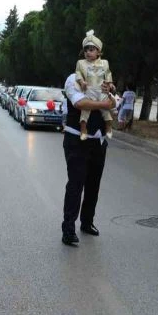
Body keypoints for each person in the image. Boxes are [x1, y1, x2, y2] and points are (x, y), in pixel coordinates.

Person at [61, 72, 116, 246]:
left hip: (98, 141)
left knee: (93, 185)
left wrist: (111, 98)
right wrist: (103, 103)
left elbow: (114, 105)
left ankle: (87, 222)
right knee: (76, 184)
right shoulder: (73, 79)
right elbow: (79, 102)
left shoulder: (104, 82)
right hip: (77, 139)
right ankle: (68, 229)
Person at [75, 30, 114, 141]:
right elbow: (78, 74)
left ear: (98, 51)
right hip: (89, 90)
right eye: (86, 50)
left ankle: (109, 127)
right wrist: (82, 82)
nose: (88, 52)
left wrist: (110, 84)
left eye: (91, 50)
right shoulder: (80, 63)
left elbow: (108, 74)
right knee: (85, 111)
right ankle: (83, 129)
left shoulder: (105, 63)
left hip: (101, 90)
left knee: (106, 110)